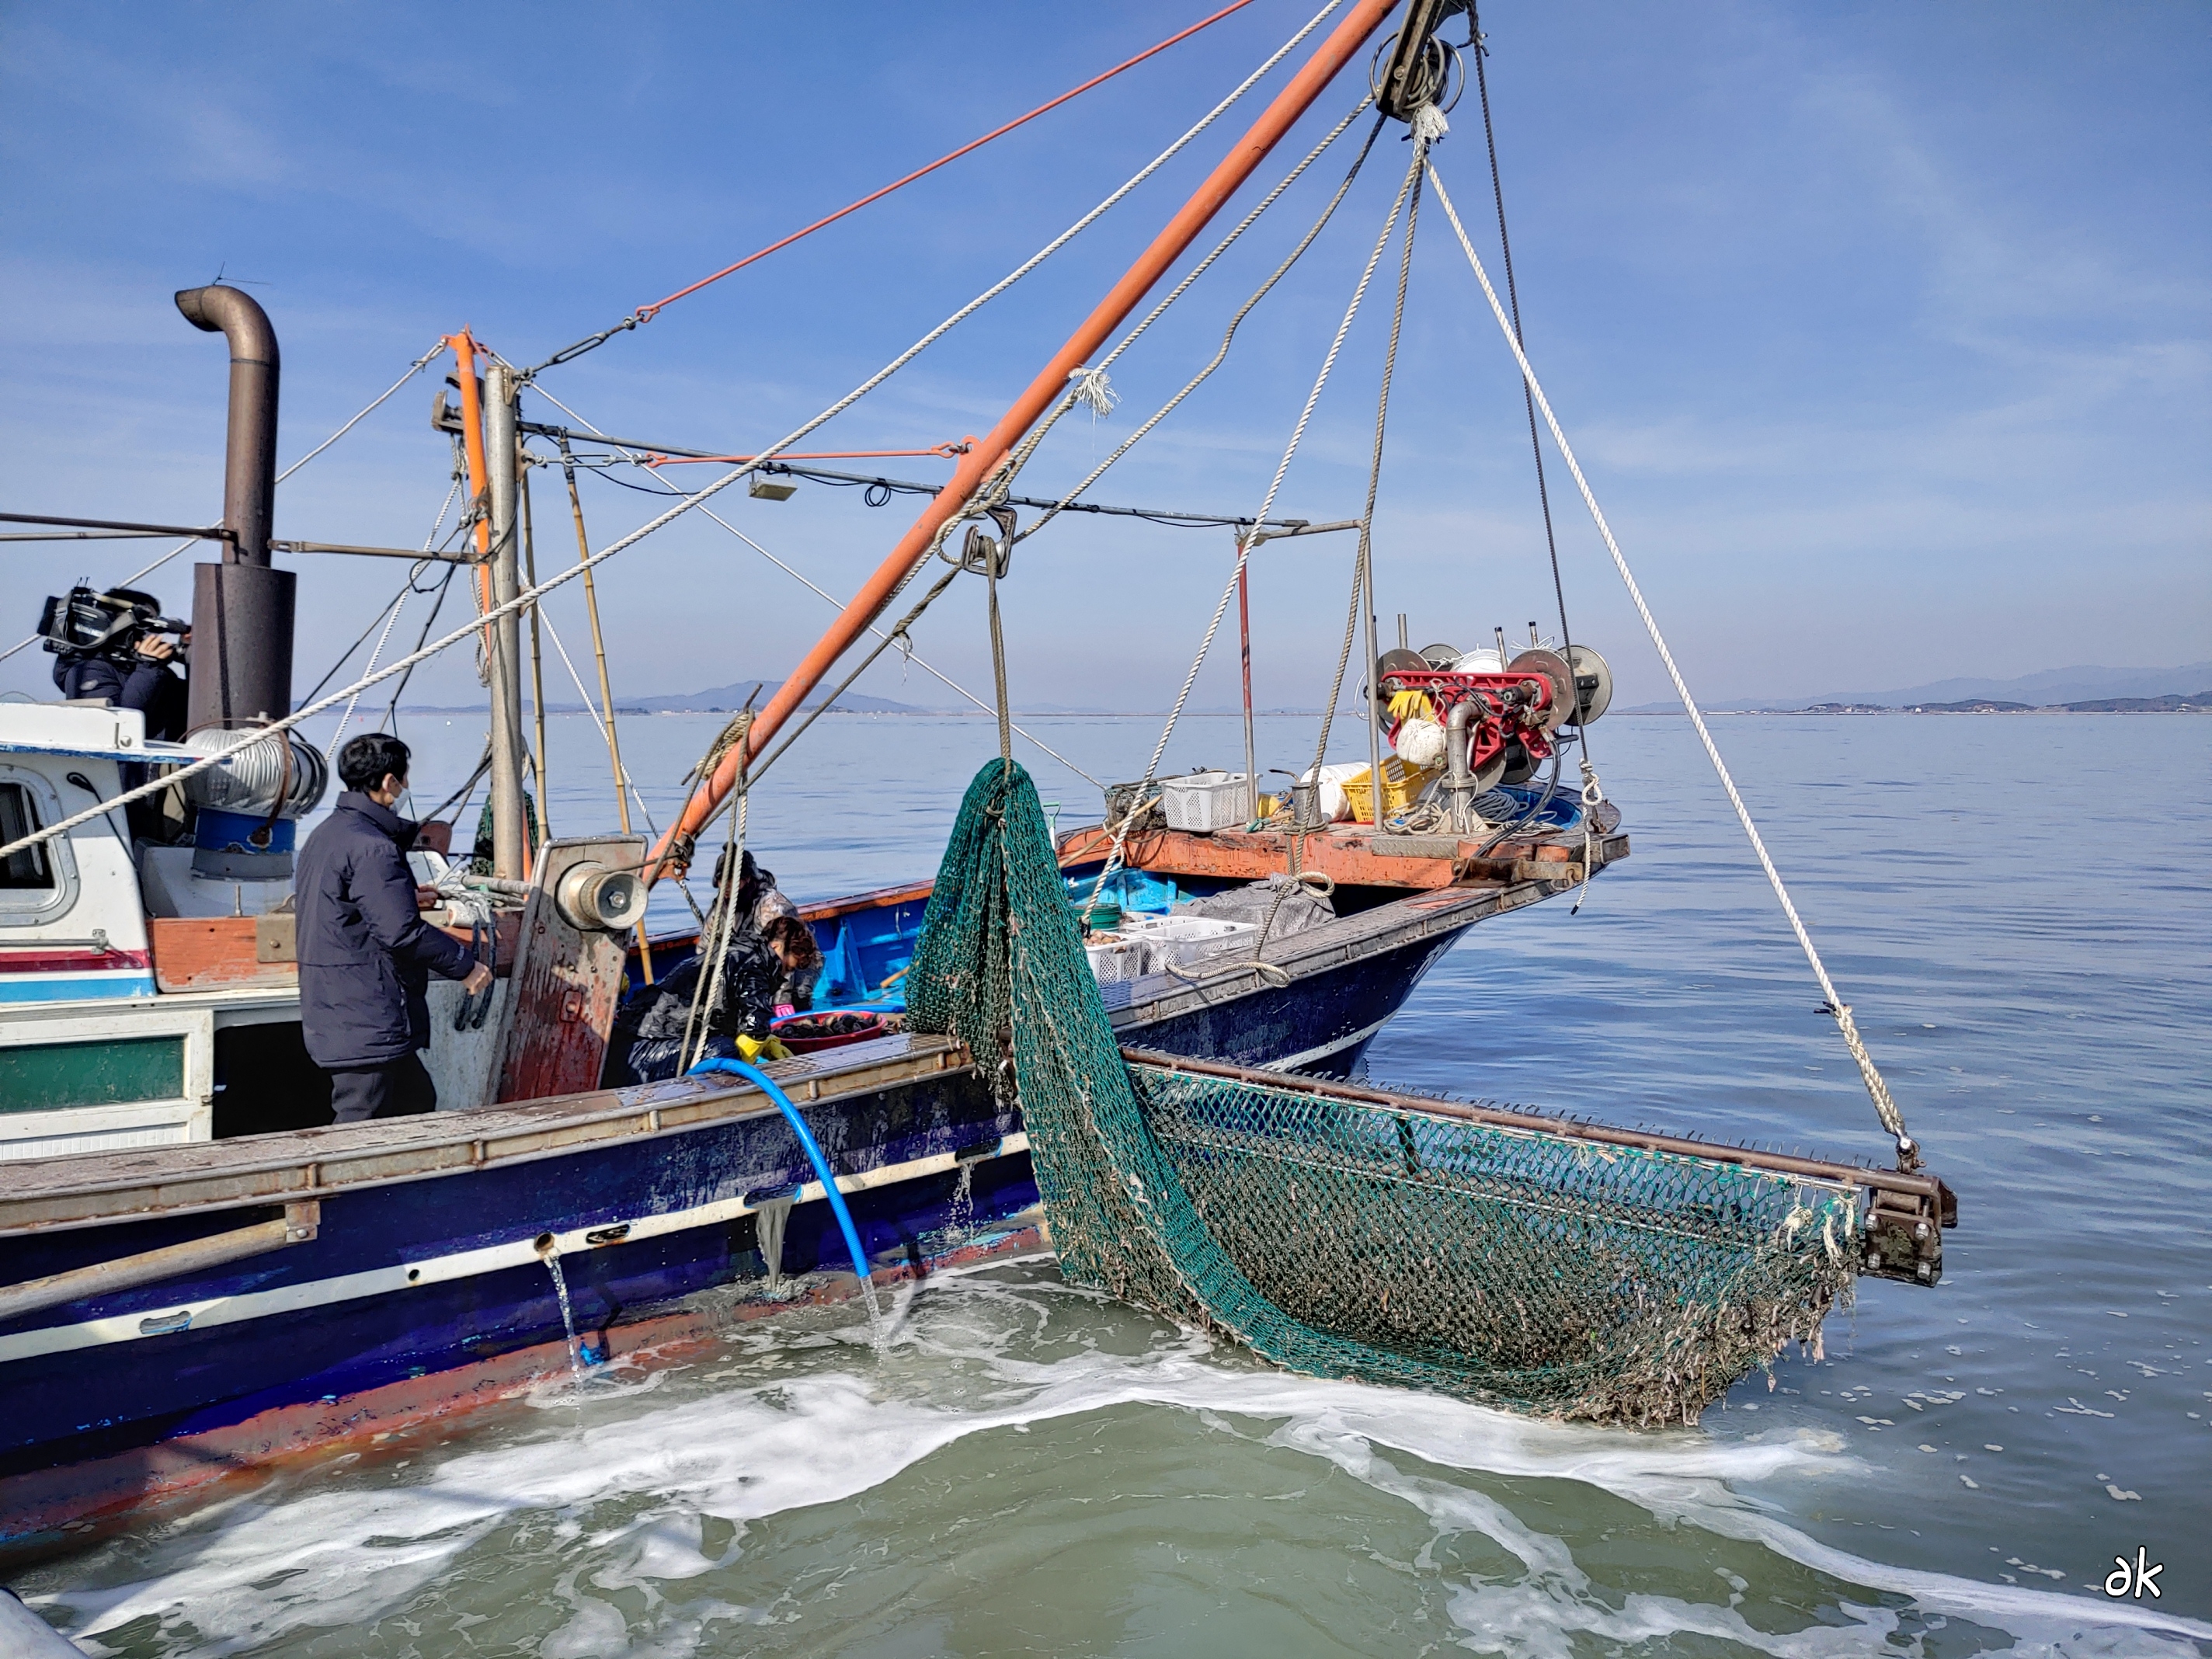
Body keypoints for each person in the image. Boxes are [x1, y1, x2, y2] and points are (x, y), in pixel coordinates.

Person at [296, 732, 492, 1122]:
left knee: (416, 1100)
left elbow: (348, 905)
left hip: (339, 1004)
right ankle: (342, 1186)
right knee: (360, 1117)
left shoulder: (325, 835)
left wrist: (403, 894)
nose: (406, 787)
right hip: (364, 1012)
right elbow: (400, 932)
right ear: (388, 782)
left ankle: (398, 1182)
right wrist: (466, 966)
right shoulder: (374, 848)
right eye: (404, 778)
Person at [604, 847, 798, 1084]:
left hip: (749, 994)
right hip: (642, 1045)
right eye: (722, 883)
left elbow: (784, 953)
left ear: (749, 880)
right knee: (723, 1049)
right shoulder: (722, 912)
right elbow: (708, 958)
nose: (727, 889)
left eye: (734, 882)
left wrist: (781, 1002)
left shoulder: (773, 907)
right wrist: (743, 1060)